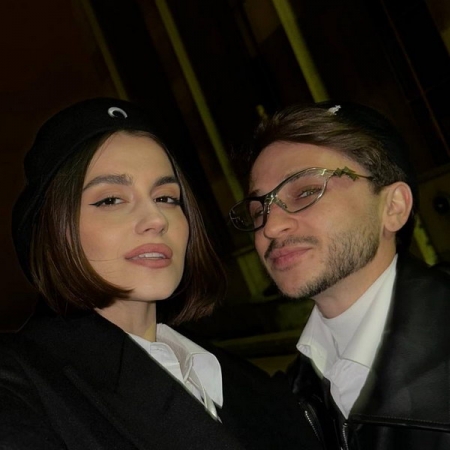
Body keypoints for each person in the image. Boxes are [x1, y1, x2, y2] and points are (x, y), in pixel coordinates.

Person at [0, 98, 319, 450]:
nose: (156, 219)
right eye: (111, 200)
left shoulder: (246, 381)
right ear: (51, 229)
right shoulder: (20, 385)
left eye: (167, 198)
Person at [229, 101, 450, 449]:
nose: (271, 227)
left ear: (393, 207)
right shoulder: (291, 394)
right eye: (259, 209)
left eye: (305, 192)